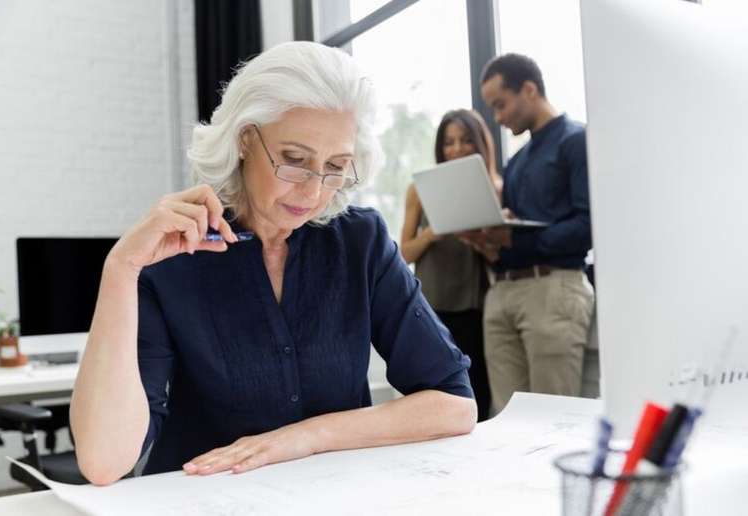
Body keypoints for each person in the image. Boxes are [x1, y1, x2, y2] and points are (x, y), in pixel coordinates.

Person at [69, 41, 477, 486]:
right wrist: (121, 268)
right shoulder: (173, 255)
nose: (314, 190)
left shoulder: (360, 241)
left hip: (332, 498)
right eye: (295, 161)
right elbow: (104, 462)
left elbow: (454, 404)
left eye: (337, 165)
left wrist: (306, 437)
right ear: (245, 140)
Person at [469, 53, 594, 414]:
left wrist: (521, 240)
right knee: (505, 419)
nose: (498, 117)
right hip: (503, 291)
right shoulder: (518, 161)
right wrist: (489, 240)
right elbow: (514, 231)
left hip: (553, 290)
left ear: (529, 89)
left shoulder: (575, 141)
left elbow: (588, 226)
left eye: (501, 105)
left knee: (554, 417)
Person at [400, 109, 500, 421]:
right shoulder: (420, 189)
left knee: (478, 397)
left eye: (466, 141)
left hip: (476, 307)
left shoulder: (495, 186)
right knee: (433, 395)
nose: (456, 149)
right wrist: (432, 233)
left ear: (481, 144)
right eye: (449, 142)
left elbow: (502, 255)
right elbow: (404, 253)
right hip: (432, 307)